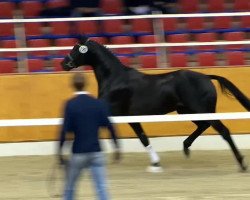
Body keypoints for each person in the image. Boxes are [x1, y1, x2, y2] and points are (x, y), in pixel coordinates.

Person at [58, 72, 121, 200]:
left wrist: (60, 151)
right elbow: (110, 127)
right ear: (86, 84)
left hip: (78, 153)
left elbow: (65, 131)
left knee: (70, 188)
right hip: (96, 152)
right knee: (101, 188)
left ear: (73, 85)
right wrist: (117, 147)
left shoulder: (70, 105)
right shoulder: (99, 104)